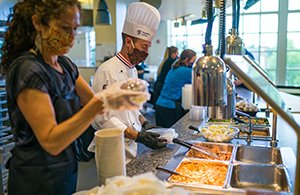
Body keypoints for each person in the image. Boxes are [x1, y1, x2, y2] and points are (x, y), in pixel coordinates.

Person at [0, 1, 148, 194]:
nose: (71, 36)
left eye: (75, 28)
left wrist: (121, 93)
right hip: (35, 178)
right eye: (64, 27)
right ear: (38, 23)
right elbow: (51, 141)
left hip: (66, 170)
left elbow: (94, 100)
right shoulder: (28, 69)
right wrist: (102, 101)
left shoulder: (65, 64)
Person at [91, 2, 167, 164]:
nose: (146, 53)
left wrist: (145, 123)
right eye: (143, 47)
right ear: (128, 42)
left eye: (148, 48)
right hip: (111, 148)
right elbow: (101, 119)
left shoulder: (132, 70)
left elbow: (130, 107)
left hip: (130, 145)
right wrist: (139, 136)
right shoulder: (108, 71)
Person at [155, 49, 197, 128]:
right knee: (171, 136)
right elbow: (204, 77)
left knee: (161, 136)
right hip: (169, 108)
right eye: (193, 61)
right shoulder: (186, 71)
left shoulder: (174, 68)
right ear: (186, 60)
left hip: (160, 104)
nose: (193, 64)